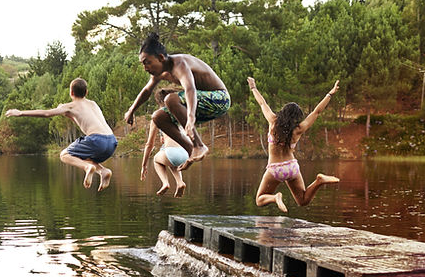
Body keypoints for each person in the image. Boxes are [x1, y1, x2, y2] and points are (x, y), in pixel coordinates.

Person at [124, 32, 231, 170]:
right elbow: (146, 91)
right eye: (143, 64)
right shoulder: (160, 72)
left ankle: (199, 145)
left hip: (220, 99)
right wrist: (132, 110)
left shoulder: (179, 64)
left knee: (171, 99)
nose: (145, 68)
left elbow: (190, 89)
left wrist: (191, 118)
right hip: (202, 103)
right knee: (157, 117)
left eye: (147, 62)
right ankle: (190, 149)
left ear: (161, 58)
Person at [5, 78, 117, 191]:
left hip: (97, 140)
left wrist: (20, 113)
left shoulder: (70, 106)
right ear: (86, 92)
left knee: (64, 155)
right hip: (112, 142)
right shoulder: (93, 104)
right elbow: (85, 121)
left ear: (71, 92)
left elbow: (46, 113)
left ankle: (87, 167)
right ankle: (103, 171)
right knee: (81, 156)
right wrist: (68, 115)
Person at [248, 77, 341, 212]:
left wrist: (253, 88)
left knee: (260, 199)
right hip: (291, 167)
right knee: (302, 200)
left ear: (283, 112)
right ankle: (319, 181)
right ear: (296, 117)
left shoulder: (273, 122)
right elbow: (316, 111)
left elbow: (262, 103)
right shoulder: (298, 129)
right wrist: (330, 94)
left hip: (275, 169)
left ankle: (275, 198)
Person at [141, 87, 189, 197]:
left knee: (157, 160)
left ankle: (165, 183)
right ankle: (180, 182)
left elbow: (149, 144)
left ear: (160, 102)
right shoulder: (180, 113)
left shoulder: (157, 116)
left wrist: (144, 165)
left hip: (173, 153)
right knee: (169, 158)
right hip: (186, 153)